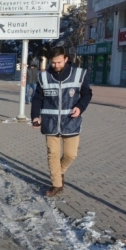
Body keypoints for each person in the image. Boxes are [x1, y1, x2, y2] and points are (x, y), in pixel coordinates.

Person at [31, 47, 92, 197]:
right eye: (53, 63)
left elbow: (87, 94)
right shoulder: (44, 77)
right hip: (50, 122)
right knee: (53, 153)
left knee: (71, 154)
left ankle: (60, 172)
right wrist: (35, 116)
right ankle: (57, 184)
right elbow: (37, 99)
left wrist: (80, 107)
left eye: (59, 62)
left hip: (71, 122)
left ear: (66, 59)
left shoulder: (78, 74)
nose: (56, 65)